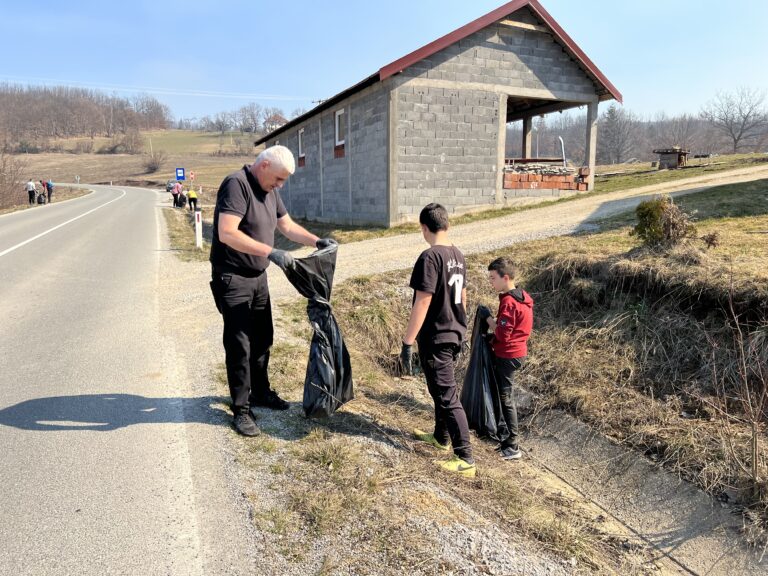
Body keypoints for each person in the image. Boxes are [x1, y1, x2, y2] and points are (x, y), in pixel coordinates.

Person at [209, 145, 336, 436]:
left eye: (283, 181)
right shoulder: (236, 185)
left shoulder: (270, 190)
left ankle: (261, 392)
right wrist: (271, 252)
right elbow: (226, 232)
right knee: (239, 345)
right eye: (279, 179)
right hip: (233, 277)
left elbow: (287, 225)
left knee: (263, 338)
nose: (280, 185)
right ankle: (241, 409)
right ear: (264, 165)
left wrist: (316, 242)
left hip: (257, 277)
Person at [400, 203, 475, 477]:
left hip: (438, 335)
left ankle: (465, 457)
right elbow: (463, 296)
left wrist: (407, 342)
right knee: (439, 390)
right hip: (454, 331)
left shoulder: (429, 257)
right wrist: (462, 330)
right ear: (447, 224)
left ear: (424, 227)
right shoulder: (458, 255)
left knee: (447, 396)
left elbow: (423, 301)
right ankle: (441, 438)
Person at [485, 257, 534, 461]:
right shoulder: (522, 296)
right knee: (505, 396)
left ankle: (512, 446)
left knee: (506, 399)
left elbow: (503, 334)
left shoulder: (508, 301)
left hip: (508, 355)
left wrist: (487, 318)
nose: (491, 282)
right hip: (518, 352)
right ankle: (505, 437)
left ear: (505, 278)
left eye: (493, 278)